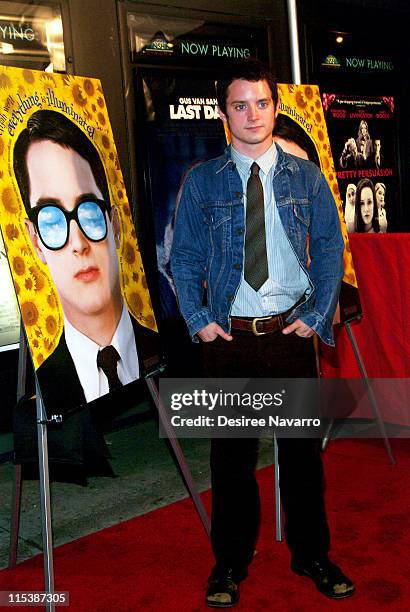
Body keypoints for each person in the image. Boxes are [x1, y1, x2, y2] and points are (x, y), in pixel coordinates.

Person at [171, 59, 355, 607]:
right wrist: (199, 321)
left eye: (262, 103)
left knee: (301, 456)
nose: (252, 114)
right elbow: (182, 258)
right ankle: (229, 562)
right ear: (224, 113)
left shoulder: (305, 175)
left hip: (290, 334)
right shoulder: (202, 181)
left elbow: (329, 248)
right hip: (230, 340)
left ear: (275, 107)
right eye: (239, 104)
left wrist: (319, 314)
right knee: (230, 460)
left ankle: (311, 553)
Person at [14, 110, 159, 418]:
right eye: (51, 218)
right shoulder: (51, 379)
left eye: (88, 209)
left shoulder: (154, 348)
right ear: (36, 240)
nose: (78, 243)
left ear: (116, 225)